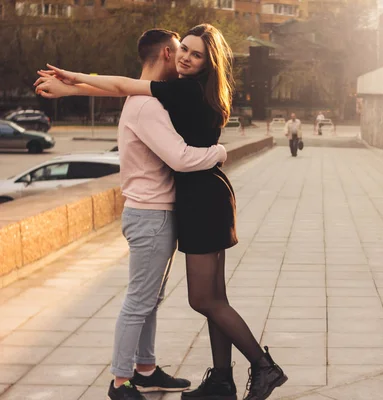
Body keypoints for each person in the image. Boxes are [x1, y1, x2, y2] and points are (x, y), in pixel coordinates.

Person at [36, 24, 287, 400]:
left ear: (207, 62)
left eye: (195, 53)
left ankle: (264, 367)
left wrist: (72, 80)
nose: (185, 56)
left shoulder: (183, 90)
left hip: (201, 200)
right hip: (208, 197)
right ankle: (221, 381)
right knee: (215, 299)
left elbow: (127, 87)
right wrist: (74, 85)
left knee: (205, 300)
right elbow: (128, 87)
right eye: (183, 48)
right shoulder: (197, 89)